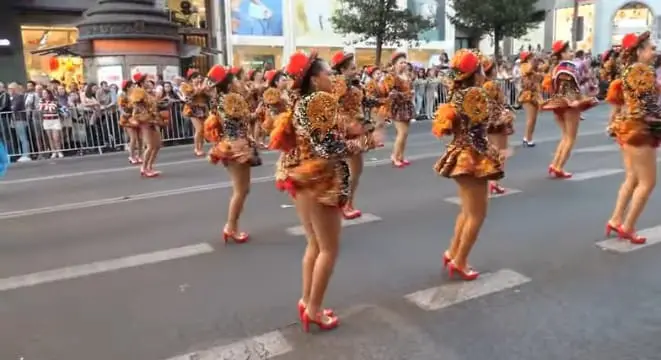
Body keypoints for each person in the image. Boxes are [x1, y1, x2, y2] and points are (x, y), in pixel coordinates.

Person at [270, 51, 360, 331]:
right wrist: (366, 142)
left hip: (302, 176)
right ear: (314, 78)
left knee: (314, 244)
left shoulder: (300, 103)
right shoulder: (319, 101)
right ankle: (314, 309)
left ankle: (308, 301)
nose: (332, 78)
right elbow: (329, 147)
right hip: (320, 179)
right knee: (329, 249)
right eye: (327, 74)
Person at [432, 49, 503, 280]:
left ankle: (453, 252)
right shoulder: (475, 94)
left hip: (458, 153)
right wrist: (495, 152)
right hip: (472, 156)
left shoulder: (457, 94)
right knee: (477, 214)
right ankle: (460, 260)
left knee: (467, 211)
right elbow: (484, 129)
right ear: (475, 72)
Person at [605, 31, 660, 244]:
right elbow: (650, 107)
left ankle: (616, 219)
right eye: (651, 48)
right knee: (648, 182)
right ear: (639, 51)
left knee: (632, 178)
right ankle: (627, 226)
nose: (655, 52)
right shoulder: (643, 71)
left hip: (628, 127)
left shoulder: (628, 70)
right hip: (640, 130)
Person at [203, 65, 260, 243]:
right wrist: (256, 114)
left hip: (229, 145)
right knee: (240, 191)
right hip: (237, 147)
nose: (238, 81)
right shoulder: (230, 100)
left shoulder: (220, 100)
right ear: (228, 85)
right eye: (234, 79)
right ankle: (230, 227)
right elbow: (242, 121)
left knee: (242, 189)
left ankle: (232, 226)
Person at [330, 50, 379, 219]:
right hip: (343, 130)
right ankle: (341, 204)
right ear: (342, 70)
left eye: (355, 67)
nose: (355, 71)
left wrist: (383, 101)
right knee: (343, 171)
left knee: (357, 171)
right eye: (351, 68)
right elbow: (332, 105)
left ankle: (348, 202)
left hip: (357, 128)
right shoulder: (337, 85)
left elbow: (365, 101)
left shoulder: (356, 85)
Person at [541, 40, 598, 178]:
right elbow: (575, 87)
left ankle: (555, 164)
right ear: (563, 53)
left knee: (565, 137)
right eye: (569, 51)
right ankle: (559, 166)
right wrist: (581, 100)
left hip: (558, 104)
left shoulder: (555, 68)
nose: (572, 53)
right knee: (570, 138)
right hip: (570, 105)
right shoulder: (570, 68)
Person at [482, 55, 514, 194]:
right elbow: (497, 104)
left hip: (488, 121)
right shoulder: (491, 85)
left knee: (493, 151)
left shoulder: (481, 85)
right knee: (501, 151)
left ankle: (491, 181)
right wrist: (505, 115)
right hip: (497, 121)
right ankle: (494, 181)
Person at [381, 52, 414, 168]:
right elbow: (391, 93)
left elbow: (411, 89)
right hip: (398, 107)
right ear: (395, 64)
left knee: (405, 134)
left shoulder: (408, 76)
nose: (403, 64)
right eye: (401, 62)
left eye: (405, 62)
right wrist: (405, 95)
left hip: (407, 106)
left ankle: (401, 156)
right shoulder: (392, 77)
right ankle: (394, 156)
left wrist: (410, 94)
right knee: (402, 133)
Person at [180, 68, 211, 157]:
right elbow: (188, 98)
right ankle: (196, 148)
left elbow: (208, 96)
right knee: (199, 129)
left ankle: (200, 147)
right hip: (192, 109)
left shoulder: (202, 86)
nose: (199, 79)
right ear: (191, 79)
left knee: (202, 130)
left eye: (199, 77)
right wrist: (199, 90)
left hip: (202, 108)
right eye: (196, 77)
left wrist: (206, 90)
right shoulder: (186, 86)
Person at [517, 52, 543, 147]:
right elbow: (528, 70)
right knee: (531, 118)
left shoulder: (535, 69)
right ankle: (528, 139)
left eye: (533, 56)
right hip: (527, 95)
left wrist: (544, 61)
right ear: (526, 58)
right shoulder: (524, 66)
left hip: (535, 95)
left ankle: (527, 137)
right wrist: (533, 64)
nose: (533, 58)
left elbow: (543, 71)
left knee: (534, 119)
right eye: (531, 57)